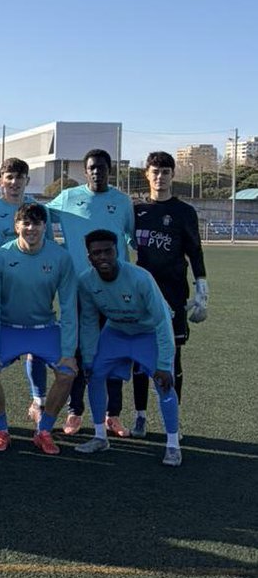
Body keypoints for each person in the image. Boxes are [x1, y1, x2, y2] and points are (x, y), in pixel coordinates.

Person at [74, 230, 183, 466]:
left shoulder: (140, 278)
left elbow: (163, 321)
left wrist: (164, 364)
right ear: (89, 257)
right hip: (116, 332)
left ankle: (173, 444)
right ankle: (100, 437)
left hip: (147, 333)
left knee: (164, 383)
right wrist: (89, 357)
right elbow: (89, 321)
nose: (103, 257)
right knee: (94, 375)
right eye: (96, 253)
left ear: (118, 252)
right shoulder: (85, 281)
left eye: (108, 251)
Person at [48, 149, 134, 437]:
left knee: (113, 349)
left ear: (110, 170)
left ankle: (114, 414)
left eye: (102, 168)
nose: (97, 172)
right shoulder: (69, 197)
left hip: (114, 288)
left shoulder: (122, 202)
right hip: (78, 289)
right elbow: (40, 216)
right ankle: (75, 412)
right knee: (76, 350)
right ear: (85, 172)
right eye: (92, 168)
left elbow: (132, 239)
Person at [0, 203, 78, 454]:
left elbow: (68, 309)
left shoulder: (61, 258)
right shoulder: (0, 257)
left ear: (45, 227)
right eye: (25, 223)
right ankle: (1, 430)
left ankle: (43, 431)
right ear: (16, 227)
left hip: (43, 328)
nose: (31, 228)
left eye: (36, 223)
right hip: (8, 329)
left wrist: (68, 351)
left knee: (67, 373)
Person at [131, 152, 207, 437]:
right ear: (146, 175)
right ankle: (140, 415)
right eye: (155, 171)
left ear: (172, 175)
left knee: (172, 356)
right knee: (140, 356)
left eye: (165, 172)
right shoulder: (136, 211)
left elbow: (195, 252)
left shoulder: (184, 212)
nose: (160, 177)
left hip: (174, 293)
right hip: (142, 295)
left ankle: (171, 418)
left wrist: (202, 288)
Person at [0, 157, 52, 423]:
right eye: (9, 177)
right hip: (0, 295)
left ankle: (38, 403)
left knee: (37, 349)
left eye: (20, 178)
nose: (14, 183)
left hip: (34, 294)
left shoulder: (39, 211)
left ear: (27, 181)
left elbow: (49, 251)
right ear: (1, 181)